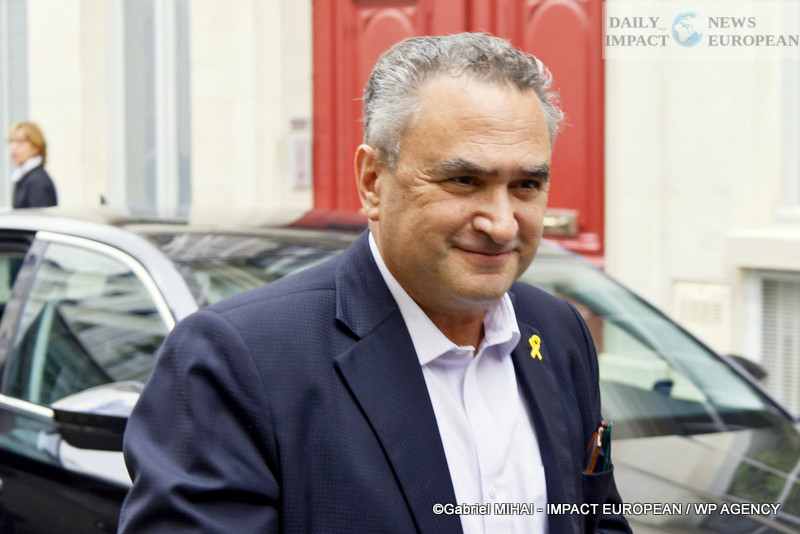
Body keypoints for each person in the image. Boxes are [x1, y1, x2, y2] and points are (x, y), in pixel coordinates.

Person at [119, 33, 631, 533]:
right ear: (372, 182)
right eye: (463, 181)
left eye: (526, 185)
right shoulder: (237, 360)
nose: (501, 223)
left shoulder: (558, 332)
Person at [7, 121, 57, 208]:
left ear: (36, 147)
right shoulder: (24, 177)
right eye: (12, 142)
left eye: (20, 142)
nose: (13, 147)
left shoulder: (37, 181)